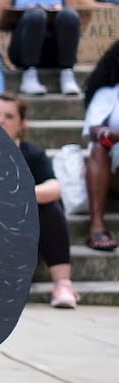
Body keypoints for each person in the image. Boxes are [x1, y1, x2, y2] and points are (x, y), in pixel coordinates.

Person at [0, 93, 79, 308]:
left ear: (21, 124)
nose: (0, 120)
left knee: (50, 209)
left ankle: (63, 284)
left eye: (9, 116)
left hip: (23, 237)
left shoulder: (33, 154)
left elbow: (54, 187)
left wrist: (19, 196)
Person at [79, 42, 119, 252]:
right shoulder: (108, 93)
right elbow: (95, 130)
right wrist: (107, 134)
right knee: (99, 147)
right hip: (115, 172)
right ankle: (97, 226)